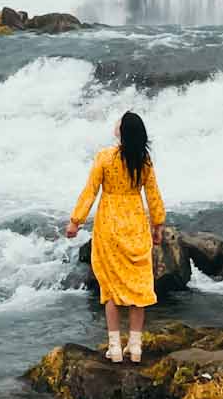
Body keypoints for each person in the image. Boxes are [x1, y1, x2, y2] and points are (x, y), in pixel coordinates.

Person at [65, 110, 165, 364]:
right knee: (138, 287)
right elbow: (153, 195)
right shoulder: (144, 161)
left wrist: (75, 221)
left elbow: (90, 191)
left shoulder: (106, 157)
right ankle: (136, 347)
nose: (115, 124)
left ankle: (115, 348)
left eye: (119, 123)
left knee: (110, 288)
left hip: (110, 223)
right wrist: (158, 226)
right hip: (135, 222)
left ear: (123, 131)